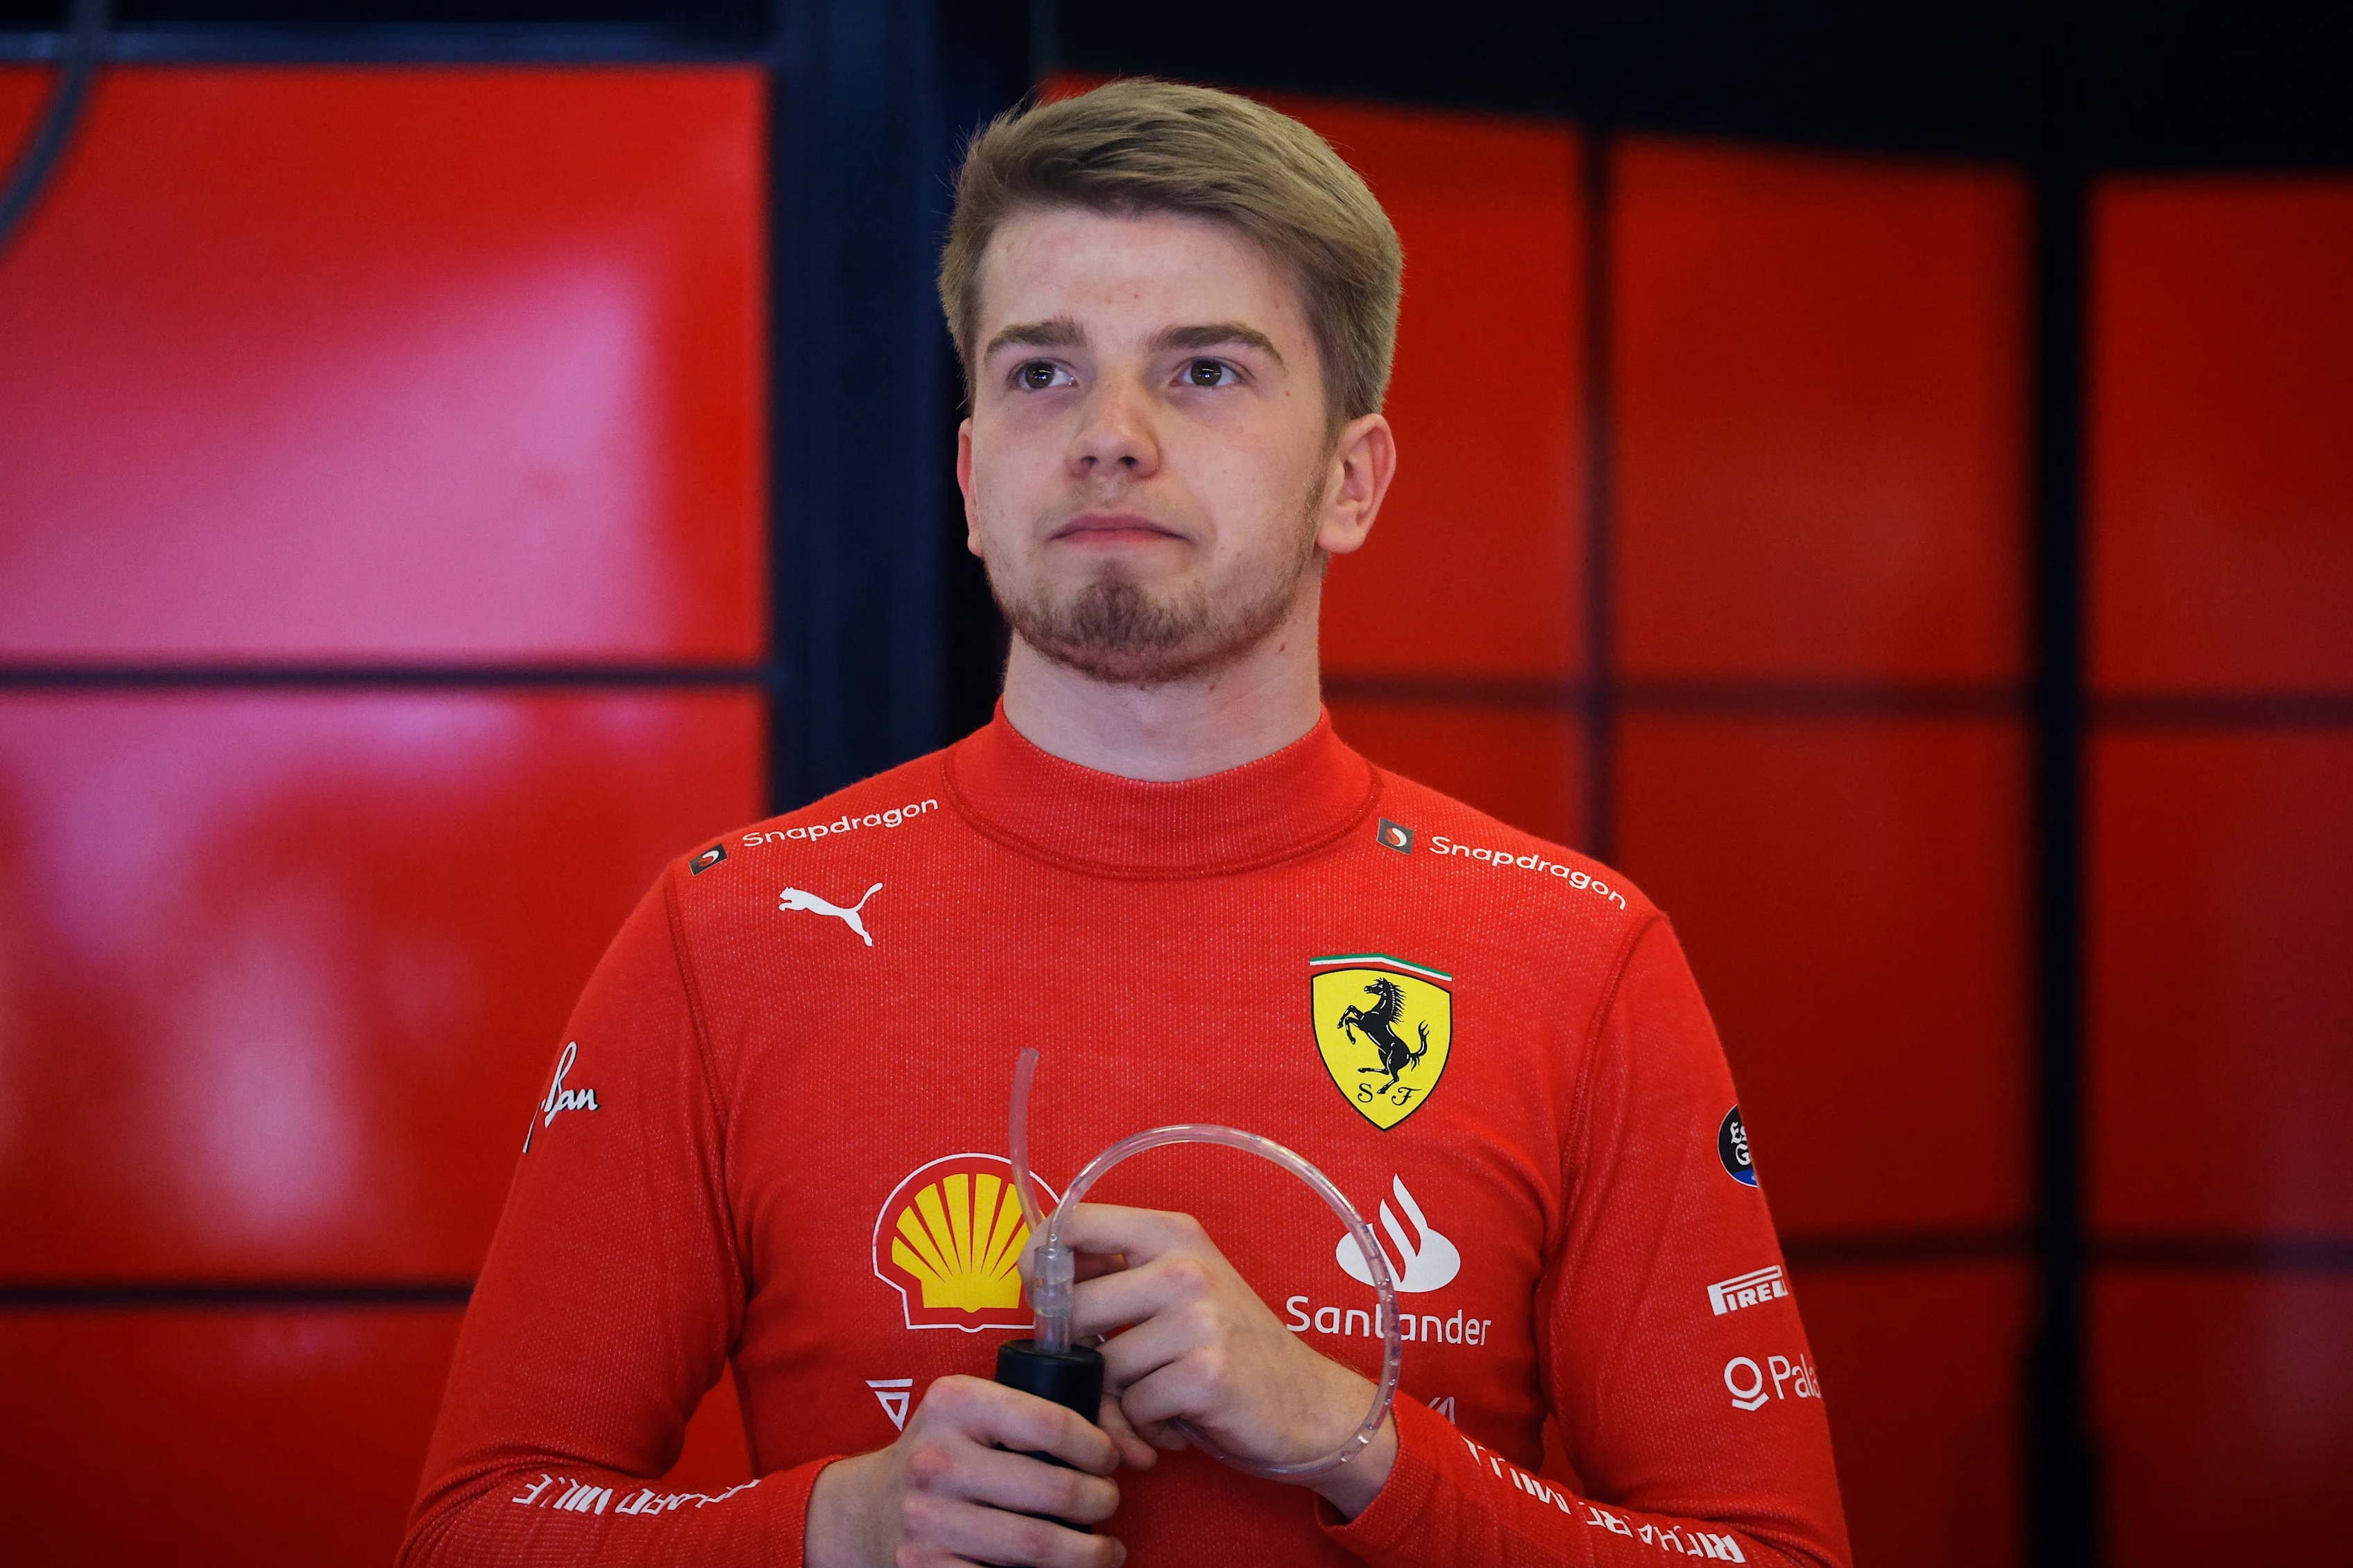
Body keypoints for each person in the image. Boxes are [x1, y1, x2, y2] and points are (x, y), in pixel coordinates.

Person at [402, 79, 1850, 1568]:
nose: (1109, 434)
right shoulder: (724, 935)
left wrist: (1358, 1442)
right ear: (971, 481)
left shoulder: (1579, 958)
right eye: (1041, 372)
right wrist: (838, 1521)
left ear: (1348, 481)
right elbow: (472, 1528)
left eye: (1206, 371)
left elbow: (1773, 1553)